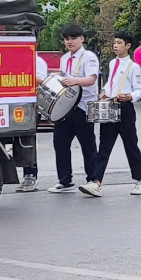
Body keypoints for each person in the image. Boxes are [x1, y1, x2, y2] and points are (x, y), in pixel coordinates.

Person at [81, 31, 141, 197]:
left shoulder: (134, 67)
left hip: (125, 107)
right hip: (110, 105)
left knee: (130, 145)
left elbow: (139, 90)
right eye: (114, 43)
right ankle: (96, 182)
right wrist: (104, 91)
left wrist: (129, 97)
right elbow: (111, 82)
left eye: (119, 43)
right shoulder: (112, 63)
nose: (115, 46)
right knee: (104, 145)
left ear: (128, 46)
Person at [48, 24, 100, 193]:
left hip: (84, 106)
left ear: (82, 39)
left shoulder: (89, 57)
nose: (69, 42)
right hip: (66, 106)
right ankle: (65, 180)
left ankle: (93, 180)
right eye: (66, 39)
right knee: (60, 143)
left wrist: (75, 81)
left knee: (88, 145)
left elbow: (91, 79)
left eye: (73, 38)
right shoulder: (64, 58)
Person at [16, 55, 49, 192]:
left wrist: (23, 73)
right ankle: (26, 175)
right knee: (19, 141)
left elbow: (41, 82)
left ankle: (31, 175)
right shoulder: (15, 59)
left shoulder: (38, 62)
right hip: (17, 105)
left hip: (31, 106)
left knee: (28, 140)